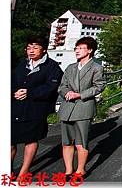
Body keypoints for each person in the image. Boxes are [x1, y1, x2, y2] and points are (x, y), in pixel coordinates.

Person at [11, 35, 63, 179]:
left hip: (36, 109)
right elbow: (12, 81)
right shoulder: (22, 65)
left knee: (31, 140)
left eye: (35, 47)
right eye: (28, 47)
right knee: (10, 140)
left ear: (44, 50)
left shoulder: (52, 67)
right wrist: (13, 92)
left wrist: (30, 92)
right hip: (16, 107)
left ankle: (24, 172)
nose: (31, 50)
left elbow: (51, 87)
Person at [58, 37, 105, 177]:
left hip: (84, 107)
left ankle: (80, 170)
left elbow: (99, 86)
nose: (77, 51)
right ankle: (68, 170)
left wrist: (79, 95)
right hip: (67, 107)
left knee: (81, 141)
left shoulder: (97, 68)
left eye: (80, 48)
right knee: (66, 141)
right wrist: (67, 93)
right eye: (76, 48)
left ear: (90, 50)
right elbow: (62, 86)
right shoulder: (70, 67)